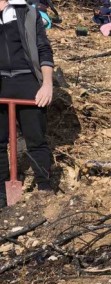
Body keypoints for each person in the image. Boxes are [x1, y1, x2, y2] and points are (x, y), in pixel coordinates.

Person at [0, 0, 55, 208]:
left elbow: (44, 49)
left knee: (36, 139)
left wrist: (47, 84)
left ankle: (44, 189)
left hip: (27, 80)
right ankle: (2, 194)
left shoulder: (28, 13)